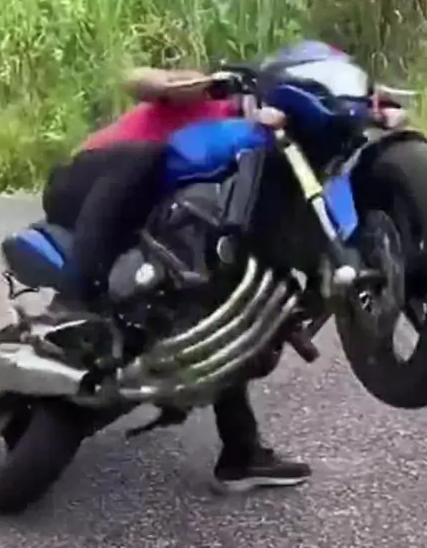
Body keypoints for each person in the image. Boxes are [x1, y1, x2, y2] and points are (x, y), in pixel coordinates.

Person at [42, 65, 312, 493]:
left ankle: (241, 453)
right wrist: (196, 83)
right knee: (148, 156)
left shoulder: (252, 152)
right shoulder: (205, 98)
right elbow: (138, 79)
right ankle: (69, 303)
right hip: (83, 183)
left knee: (221, 293)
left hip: (145, 225)